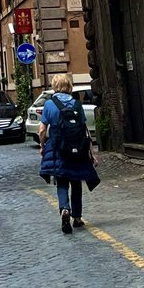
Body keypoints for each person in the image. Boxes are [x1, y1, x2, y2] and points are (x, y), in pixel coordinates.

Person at [39, 73, 100, 233]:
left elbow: (42, 129)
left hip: (58, 148)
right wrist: (92, 152)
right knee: (76, 181)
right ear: (68, 86)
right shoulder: (76, 104)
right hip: (78, 149)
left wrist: (42, 145)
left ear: (54, 86)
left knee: (62, 180)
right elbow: (85, 130)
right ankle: (78, 217)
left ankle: (64, 209)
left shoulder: (50, 105)